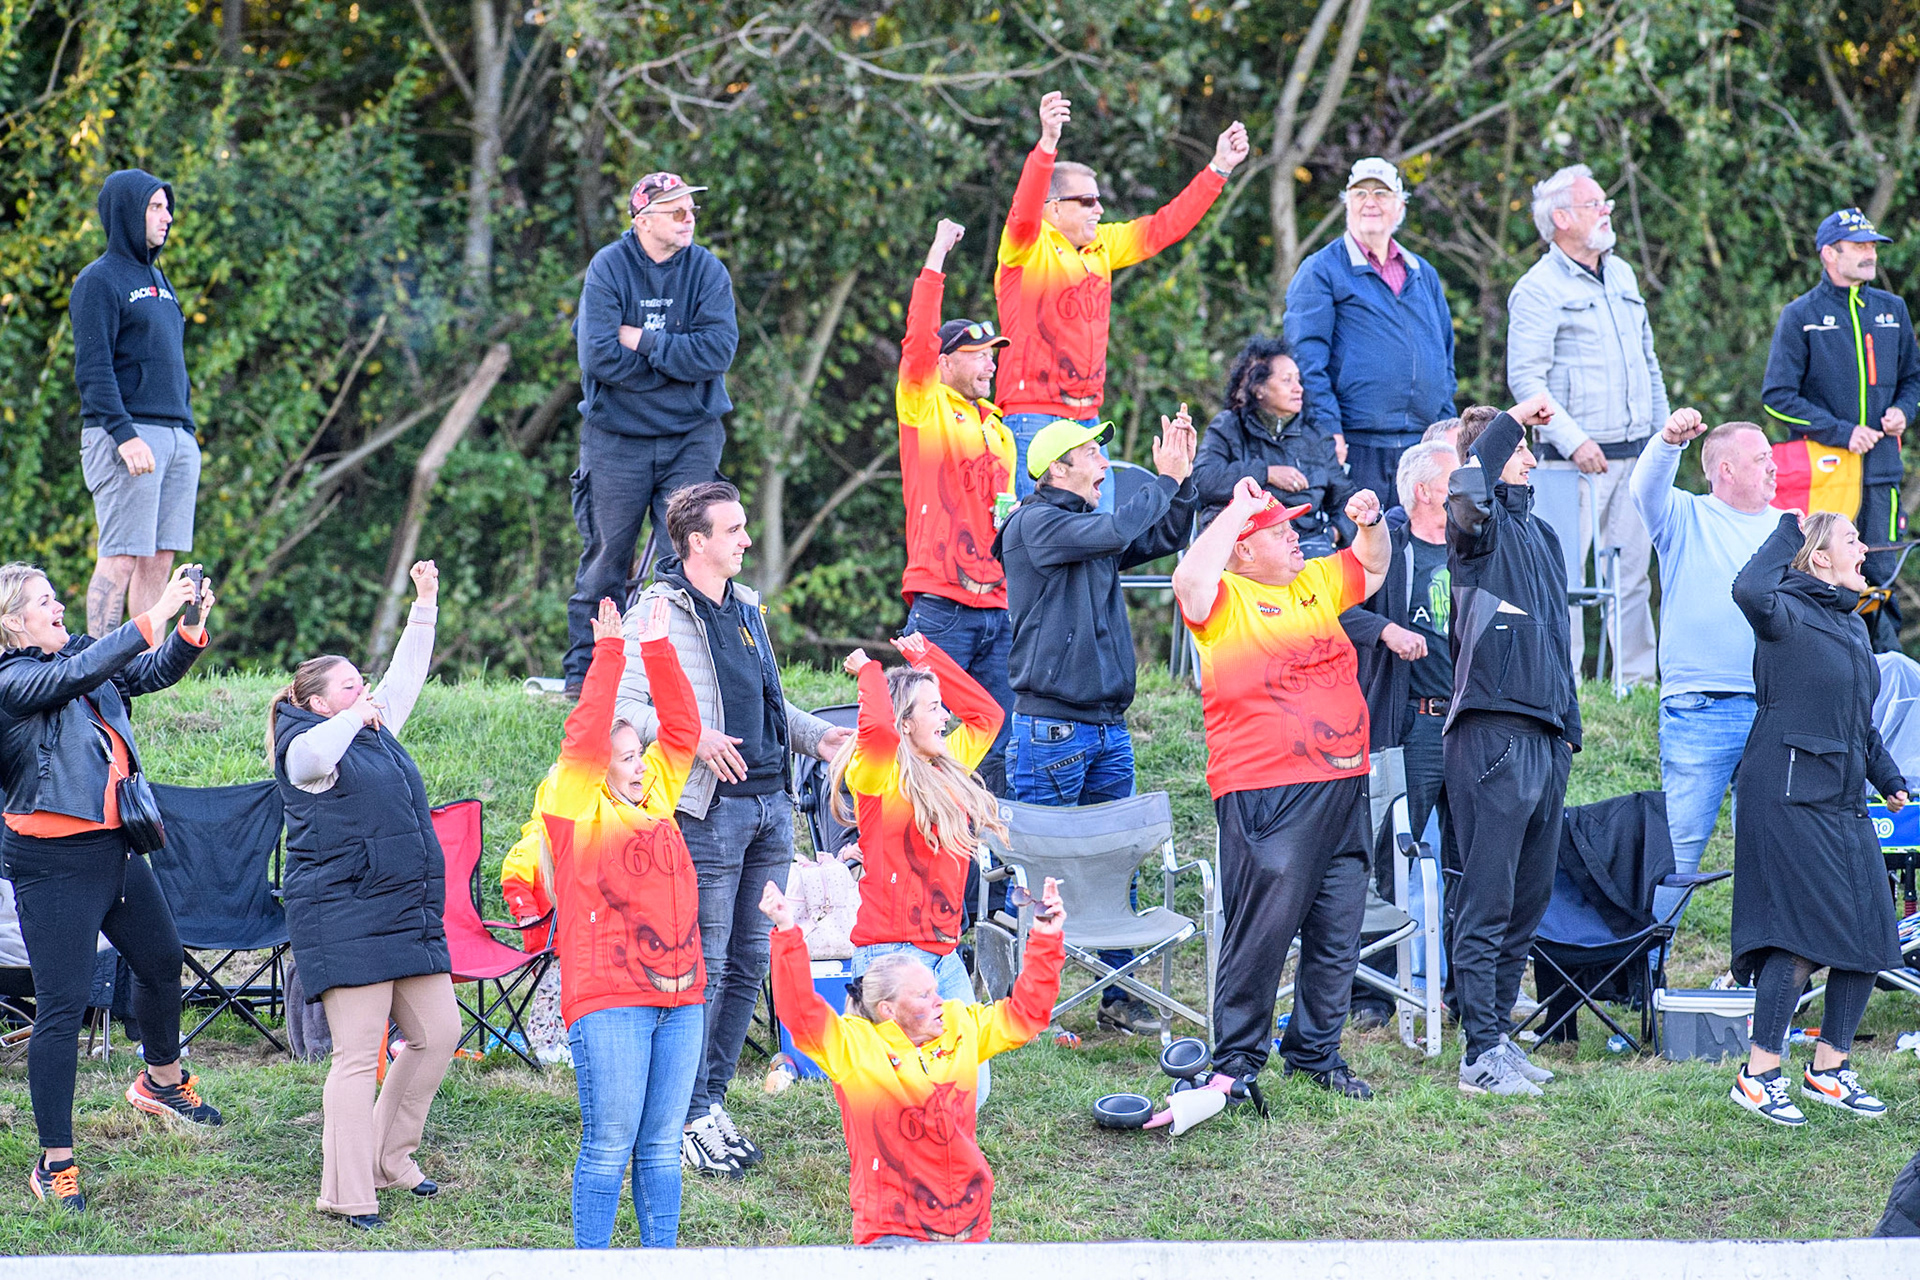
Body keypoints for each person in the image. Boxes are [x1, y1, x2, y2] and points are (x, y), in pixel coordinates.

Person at [614, 481, 849, 1178]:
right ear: (697, 543)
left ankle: (711, 1102)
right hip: (709, 812)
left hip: (773, 805)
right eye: (735, 530)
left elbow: (769, 703)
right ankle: (682, 1115)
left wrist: (819, 738)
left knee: (751, 962)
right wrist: (692, 738)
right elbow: (625, 709)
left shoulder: (746, 607)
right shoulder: (656, 611)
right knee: (707, 968)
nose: (746, 540)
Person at [0, 562, 221, 1212]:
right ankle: (54, 1164)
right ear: (14, 620)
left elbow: (140, 674)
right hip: (53, 864)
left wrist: (186, 629)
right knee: (62, 1010)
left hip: (115, 846)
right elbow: (75, 676)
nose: (59, 605)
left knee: (158, 961)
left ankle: (161, 1082)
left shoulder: (72, 656)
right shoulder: (12, 679)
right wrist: (149, 615)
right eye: (45, 601)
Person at [1173, 478, 1390, 1101]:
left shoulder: (1313, 581)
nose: (1297, 534)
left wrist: (1371, 523)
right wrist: (1239, 509)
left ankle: (1316, 1055)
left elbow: (1372, 566)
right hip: (1268, 787)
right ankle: (1237, 1062)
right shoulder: (1224, 597)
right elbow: (1188, 580)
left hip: (1345, 783)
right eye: (1280, 529)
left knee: (1338, 925)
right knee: (1261, 931)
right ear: (1243, 548)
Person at [993, 407, 1198, 1034]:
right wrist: (1159, 482)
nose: (1106, 465)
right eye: (1094, 455)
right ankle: (1018, 1006)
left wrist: (1182, 485)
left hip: (1107, 727)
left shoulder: (1088, 526)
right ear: (1059, 468)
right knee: (1037, 868)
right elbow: (1119, 528)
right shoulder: (1035, 524)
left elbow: (1159, 534)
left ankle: (1117, 994)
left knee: (1116, 864)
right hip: (1051, 729)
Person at [268, 560, 459, 1230]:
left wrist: (425, 605)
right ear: (321, 702)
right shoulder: (303, 750)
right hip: (342, 917)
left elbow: (405, 676)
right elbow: (319, 756)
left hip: (402, 914)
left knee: (440, 1033)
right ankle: (347, 1192)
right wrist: (356, 717)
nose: (367, 689)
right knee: (357, 1057)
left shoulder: (374, 731)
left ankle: (390, 1156)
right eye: (351, 685)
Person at [759, 874, 1065, 1245]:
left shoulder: (959, 1024)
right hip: (893, 1232)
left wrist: (1046, 938)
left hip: (970, 1227)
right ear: (888, 1009)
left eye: (935, 990)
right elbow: (801, 1014)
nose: (940, 1001)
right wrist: (787, 931)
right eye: (923, 996)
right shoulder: (855, 1048)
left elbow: (1027, 1016)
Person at [1725, 511, 1905, 1126]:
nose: (1865, 548)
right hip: (1786, 793)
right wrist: (1787, 529)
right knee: (1797, 935)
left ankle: (1829, 1069)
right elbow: (1747, 587)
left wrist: (1889, 778)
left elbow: (1860, 721)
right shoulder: (1784, 613)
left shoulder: (1852, 627)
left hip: (1844, 797)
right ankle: (1758, 1075)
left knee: (1870, 933)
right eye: (1851, 539)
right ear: (1819, 558)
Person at [539, 596, 705, 1246]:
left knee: (662, 1146)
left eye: (641, 754)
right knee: (610, 1144)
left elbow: (686, 732)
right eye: (630, 754)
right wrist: (611, 654)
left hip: (682, 995)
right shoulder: (573, 803)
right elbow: (583, 739)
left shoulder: (655, 797)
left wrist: (659, 652)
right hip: (609, 999)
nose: (643, 764)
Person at [996, 89, 1248, 510]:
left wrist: (1219, 168)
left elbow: (1164, 227)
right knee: (1036, 540)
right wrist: (1047, 143)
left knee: (1102, 535)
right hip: (1032, 417)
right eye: (1087, 201)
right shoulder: (1026, 247)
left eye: (1100, 200)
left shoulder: (1103, 247)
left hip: (1087, 419)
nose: (1099, 210)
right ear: (1053, 209)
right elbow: (1023, 210)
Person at [1443, 397, 1579, 1099]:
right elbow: (1468, 490)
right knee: (1488, 903)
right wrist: (1507, 423)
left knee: (1525, 905)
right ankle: (1478, 1056)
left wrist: (1571, 730)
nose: (1532, 456)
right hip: (1492, 732)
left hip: (1547, 738)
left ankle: (1499, 1039)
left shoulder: (1544, 537)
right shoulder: (1478, 531)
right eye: (1522, 448)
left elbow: (1558, 640)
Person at [563, 171, 739, 696]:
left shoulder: (707, 271)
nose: (690, 221)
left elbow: (718, 352)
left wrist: (641, 340)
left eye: (692, 211)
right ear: (643, 220)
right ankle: (585, 678)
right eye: (677, 212)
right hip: (616, 437)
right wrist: (676, 367)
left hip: (691, 435)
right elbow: (597, 356)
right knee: (605, 558)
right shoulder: (609, 268)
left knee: (684, 557)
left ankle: (670, 678)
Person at [1508, 164, 1669, 687]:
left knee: (1633, 580)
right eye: (1595, 204)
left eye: (1605, 203)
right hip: (1567, 463)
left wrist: (1663, 438)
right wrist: (1574, 442)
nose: (1606, 210)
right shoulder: (1537, 288)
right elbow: (1526, 381)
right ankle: (1564, 685)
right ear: (1561, 219)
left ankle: (1637, 685)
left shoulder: (1622, 273)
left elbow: (1649, 361)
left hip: (1636, 453)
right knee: (1563, 580)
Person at [1627, 412, 1779, 924]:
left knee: (1767, 855)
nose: (1773, 467)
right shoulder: (1684, 516)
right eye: (1761, 459)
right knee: (1679, 850)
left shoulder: (1789, 528)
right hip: (1700, 709)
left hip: (1772, 710)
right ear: (1726, 470)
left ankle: (1762, 981)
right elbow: (1642, 487)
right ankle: (1647, 970)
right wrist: (1669, 441)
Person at [833, 634, 1005, 1078]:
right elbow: (877, 731)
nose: (946, 718)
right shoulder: (876, 775)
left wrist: (926, 659)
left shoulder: (948, 762)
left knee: (970, 1083)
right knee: (898, 1087)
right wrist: (872, 673)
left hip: (944, 954)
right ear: (905, 723)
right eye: (933, 708)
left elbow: (988, 716)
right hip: (890, 954)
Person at [1761, 207, 1920, 652]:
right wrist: (1842, 432)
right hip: (1824, 477)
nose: (1871, 255)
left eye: (1873, 246)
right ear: (1830, 253)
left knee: (1881, 576)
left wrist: (1904, 410)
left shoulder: (1892, 309)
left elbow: (1913, 379)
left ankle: (1886, 686)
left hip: (1883, 474)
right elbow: (1777, 395)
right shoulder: (1801, 315)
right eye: (1860, 247)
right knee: (1822, 578)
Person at [896, 218, 1018, 793]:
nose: (989, 363)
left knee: (996, 745)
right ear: (944, 363)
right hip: (941, 605)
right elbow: (917, 338)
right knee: (924, 741)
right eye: (976, 355)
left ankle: (984, 871)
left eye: (993, 353)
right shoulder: (925, 408)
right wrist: (937, 255)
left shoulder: (1000, 428)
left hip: (998, 608)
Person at [71, 170, 202, 639]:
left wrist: (185, 436)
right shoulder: (99, 280)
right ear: (128, 212)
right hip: (128, 435)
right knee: (122, 553)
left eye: (168, 207)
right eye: (155, 207)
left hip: (175, 437)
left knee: (159, 557)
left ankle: (146, 665)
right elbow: (92, 370)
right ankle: (96, 672)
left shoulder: (159, 280)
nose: (167, 217)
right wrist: (124, 435)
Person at [1284, 158, 1458, 501]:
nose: (1370, 201)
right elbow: (1304, 360)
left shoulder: (1423, 273)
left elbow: (1445, 358)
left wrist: (1444, 433)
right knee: (1362, 550)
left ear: (1400, 206)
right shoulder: (1321, 270)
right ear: (1347, 202)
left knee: (1421, 549)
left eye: (1381, 192)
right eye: (1359, 193)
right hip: (1355, 446)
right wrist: (1327, 429)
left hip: (1421, 450)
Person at [1342, 440, 1461, 898]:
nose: (1467, 490)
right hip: (1415, 725)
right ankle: (1379, 970)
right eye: (1454, 481)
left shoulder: (1472, 547)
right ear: (1424, 492)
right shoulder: (1387, 543)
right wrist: (1386, 630)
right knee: (1390, 860)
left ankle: (1455, 972)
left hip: (1471, 722)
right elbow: (1327, 605)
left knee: (1468, 863)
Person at [1193, 335, 1357, 556]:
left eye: (1298, 380)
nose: (1298, 388)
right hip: (1242, 548)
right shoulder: (1228, 426)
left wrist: (1333, 533)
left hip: (1303, 548)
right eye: (1287, 380)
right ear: (1259, 388)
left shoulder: (1316, 437)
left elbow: (1346, 499)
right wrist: (1266, 474)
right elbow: (1201, 482)